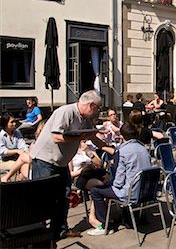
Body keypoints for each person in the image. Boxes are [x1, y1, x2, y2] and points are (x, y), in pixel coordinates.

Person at [29, 90, 102, 239]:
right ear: (91, 105)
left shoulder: (85, 118)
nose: (98, 112)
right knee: (43, 197)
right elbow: (56, 137)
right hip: (45, 160)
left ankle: (60, 230)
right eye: (98, 108)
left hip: (61, 163)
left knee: (64, 196)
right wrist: (79, 136)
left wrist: (111, 149)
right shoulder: (66, 112)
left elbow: (93, 137)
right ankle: (39, 232)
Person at [87, 123, 151, 235]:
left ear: (122, 136)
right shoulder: (144, 149)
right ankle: (125, 217)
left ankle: (104, 225)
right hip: (146, 192)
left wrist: (110, 184)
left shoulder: (123, 151)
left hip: (130, 193)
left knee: (95, 191)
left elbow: (119, 181)